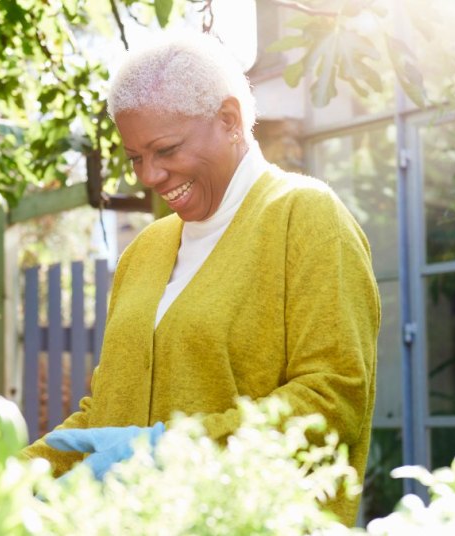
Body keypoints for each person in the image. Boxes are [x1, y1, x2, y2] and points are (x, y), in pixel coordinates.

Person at [20, 32, 380, 526]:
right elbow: (106, 417)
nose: (149, 175)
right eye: (135, 157)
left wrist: (168, 451)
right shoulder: (144, 251)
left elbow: (333, 401)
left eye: (165, 149)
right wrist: (14, 476)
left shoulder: (306, 217)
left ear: (229, 120)